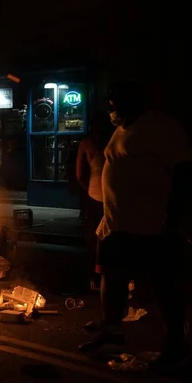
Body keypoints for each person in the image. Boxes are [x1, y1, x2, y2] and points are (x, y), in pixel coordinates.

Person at [79, 81, 192, 372]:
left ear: (134, 103)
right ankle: (111, 335)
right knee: (112, 278)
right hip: (117, 224)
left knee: (163, 285)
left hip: (151, 225)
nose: (111, 110)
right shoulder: (122, 129)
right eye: (110, 105)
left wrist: (175, 215)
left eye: (115, 105)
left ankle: (175, 346)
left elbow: (185, 169)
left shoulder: (160, 127)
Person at [76, 113, 112, 290]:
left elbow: (79, 174)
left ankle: (94, 278)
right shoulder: (114, 140)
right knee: (112, 237)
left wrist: (88, 188)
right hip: (113, 196)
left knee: (95, 238)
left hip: (94, 195)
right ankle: (113, 276)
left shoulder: (86, 143)